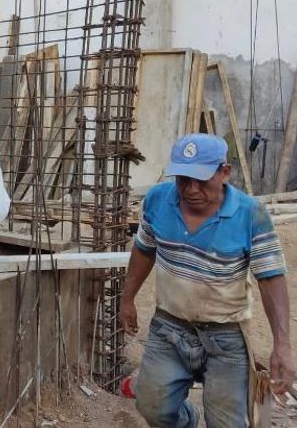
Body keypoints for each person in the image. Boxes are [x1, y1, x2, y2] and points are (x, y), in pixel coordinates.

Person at [121, 133, 293, 427]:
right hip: (169, 327)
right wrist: (128, 298)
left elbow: (270, 278)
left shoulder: (251, 214)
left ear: (225, 172)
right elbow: (144, 249)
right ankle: (187, 420)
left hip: (226, 335)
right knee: (152, 407)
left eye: (201, 180)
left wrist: (282, 345)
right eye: (183, 179)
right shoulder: (157, 200)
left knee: (225, 423)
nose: (191, 189)